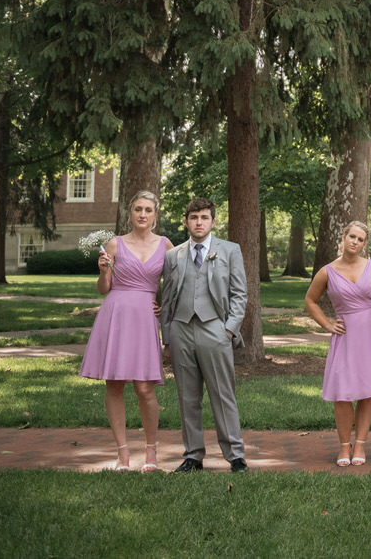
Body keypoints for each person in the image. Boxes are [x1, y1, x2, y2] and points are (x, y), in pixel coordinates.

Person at [79, 190, 171, 472]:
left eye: (148, 210)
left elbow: (178, 285)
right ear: (130, 213)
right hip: (115, 315)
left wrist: (163, 306)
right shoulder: (115, 244)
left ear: (156, 216)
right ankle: (122, 454)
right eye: (138, 209)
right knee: (115, 384)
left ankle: (151, 452)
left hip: (145, 318)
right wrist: (104, 270)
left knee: (144, 388)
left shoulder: (167, 245)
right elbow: (103, 289)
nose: (142, 215)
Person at [159, 196, 249, 473]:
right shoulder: (173, 256)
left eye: (204, 217)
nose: (199, 222)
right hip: (181, 328)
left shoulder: (230, 250)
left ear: (212, 221)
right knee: (188, 396)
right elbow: (166, 297)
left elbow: (239, 294)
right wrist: (167, 335)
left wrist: (229, 330)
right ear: (186, 222)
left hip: (215, 328)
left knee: (223, 394)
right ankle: (193, 455)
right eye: (194, 218)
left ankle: (235, 455)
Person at [306, 220, 371, 467]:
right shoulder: (327, 271)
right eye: (352, 237)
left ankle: (360, 443)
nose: (355, 242)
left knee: (368, 390)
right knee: (343, 393)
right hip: (346, 334)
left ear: (364, 244)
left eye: (360, 239)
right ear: (343, 237)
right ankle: (343, 445)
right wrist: (327, 324)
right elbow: (310, 301)